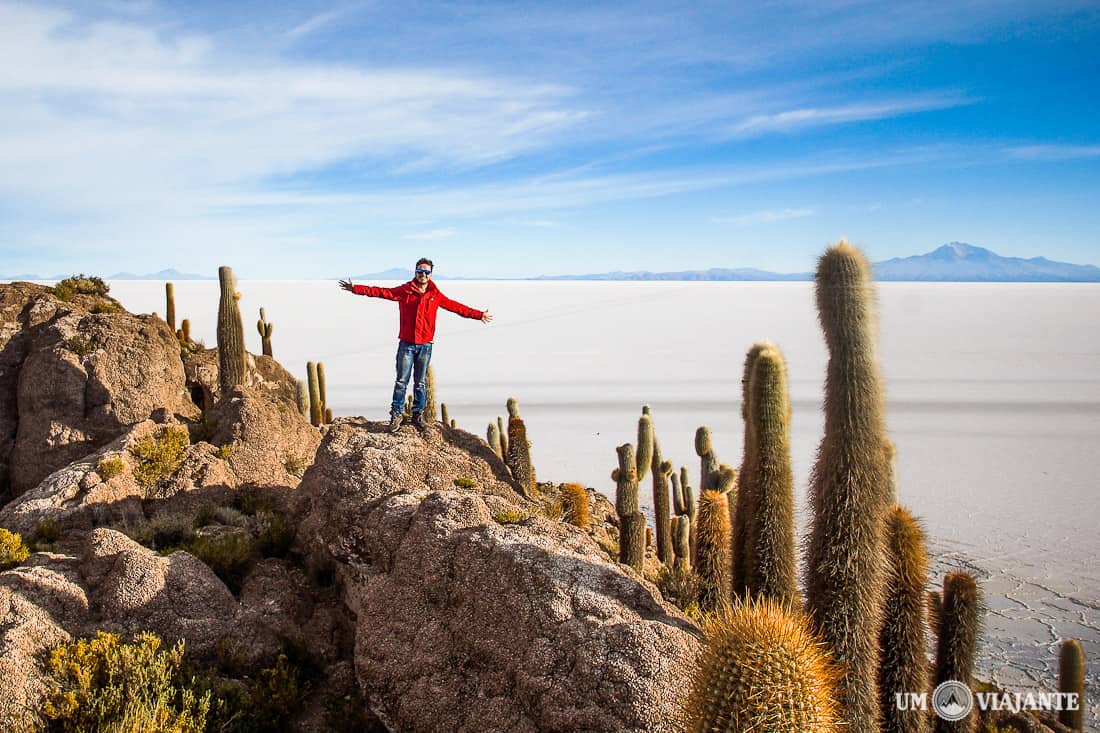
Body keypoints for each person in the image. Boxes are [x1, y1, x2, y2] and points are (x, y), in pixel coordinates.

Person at [338, 258, 492, 433]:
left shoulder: (435, 294)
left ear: (431, 274)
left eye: (426, 272)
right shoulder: (405, 291)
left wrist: (479, 315)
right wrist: (356, 289)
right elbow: (381, 292)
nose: (423, 275)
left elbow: (455, 307)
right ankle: (396, 415)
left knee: (420, 383)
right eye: (420, 271)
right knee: (401, 382)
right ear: (415, 272)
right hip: (407, 345)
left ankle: (417, 415)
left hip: (425, 345)